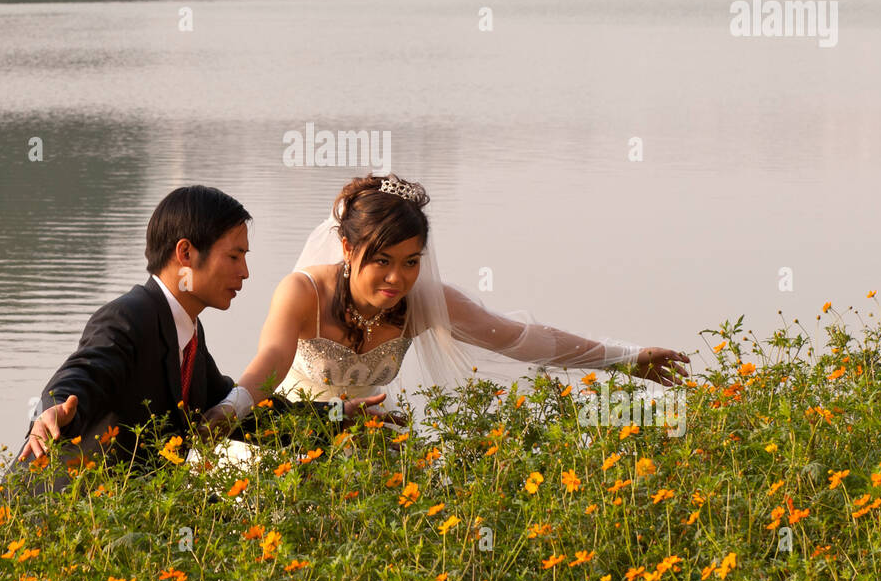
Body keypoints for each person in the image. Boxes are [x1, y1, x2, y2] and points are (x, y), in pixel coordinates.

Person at [203, 174, 689, 430]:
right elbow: (268, 367)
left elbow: (521, 341)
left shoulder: (419, 301)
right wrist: (226, 412)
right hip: (289, 439)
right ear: (348, 249)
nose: (398, 278)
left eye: (412, 261)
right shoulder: (304, 292)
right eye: (383, 261)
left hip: (373, 444)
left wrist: (625, 358)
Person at [13, 185, 386, 480]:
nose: (245, 272)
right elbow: (83, 375)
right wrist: (51, 411)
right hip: (49, 523)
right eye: (234, 256)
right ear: (186, 253)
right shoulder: (129, 318)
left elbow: (234, 411)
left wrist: (338, 415)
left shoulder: (187, 333)